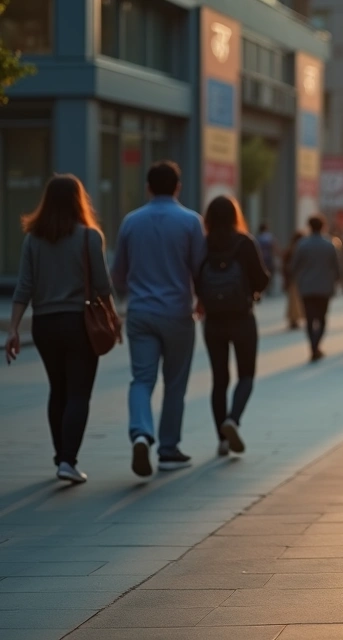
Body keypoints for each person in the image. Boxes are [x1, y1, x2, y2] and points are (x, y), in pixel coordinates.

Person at [6, 175, 116, 484]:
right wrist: (112, 318)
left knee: (58, 389)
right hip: (78, 323)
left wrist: (13, 328)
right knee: (79, 392)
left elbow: (24, 286)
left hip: (44, 325)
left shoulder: (33, 239)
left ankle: (61, 457)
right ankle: (68, 460)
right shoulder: (90, 237)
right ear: (78, 200)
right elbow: (102, 286)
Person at [111, 161, 207, 477]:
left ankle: (140, 433)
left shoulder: (130, 222)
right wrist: (201, 300)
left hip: (140, 312)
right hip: (178, 313)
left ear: (148, 187)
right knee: (175, 384)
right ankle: (168, 449)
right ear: (178, 187)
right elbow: (199, 268)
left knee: (141, 379)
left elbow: (119, 274)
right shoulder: (192, 222)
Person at [197, 196, 270, 457]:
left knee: (219, 380)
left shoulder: (203, 245)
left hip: (213, 321)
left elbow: (195, 279)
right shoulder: (245, 243)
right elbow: (262, 279)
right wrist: (253, 290)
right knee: (246, 376)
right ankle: (233, 420)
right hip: (242, 318)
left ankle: (222, 440)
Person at [290, 215, 343, 362]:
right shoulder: (330, 244)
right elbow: (337, 266)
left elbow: (294, 265)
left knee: (309, 318)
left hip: (306, 286)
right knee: (321, 318)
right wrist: (338, 281)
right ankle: (316, 344)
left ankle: (313, 346)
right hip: (324, 286)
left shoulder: (302, 244)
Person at [283, 230, 305, 329]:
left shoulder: (291, 249)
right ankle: (295, 318)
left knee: (293, 301)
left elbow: (285, 266)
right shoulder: (299, 249)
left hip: (292, 278)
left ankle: (293, 319)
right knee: (296, 300)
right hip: (298, 278)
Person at [256, 223, 277, 293]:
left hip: (261, 259)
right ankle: (269, 288)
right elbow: (273, 247)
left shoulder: (258, 238)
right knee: (270, 273)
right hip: (269, 258)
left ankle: (264, 288)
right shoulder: (269, 237)